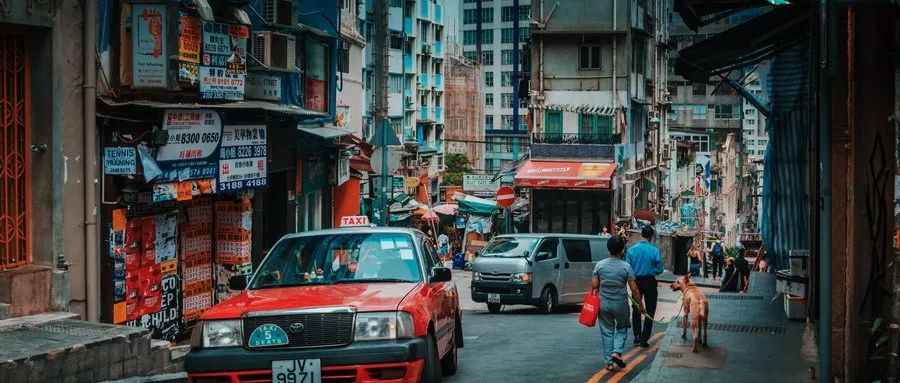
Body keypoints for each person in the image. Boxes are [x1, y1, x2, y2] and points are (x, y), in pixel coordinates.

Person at [591, 236, 645, 372]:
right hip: (620, 303)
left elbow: (595, 286)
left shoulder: (600, 265)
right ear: (622, 250)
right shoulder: (626, 266)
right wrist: (640, 305)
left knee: (607, 332)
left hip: (604, 303)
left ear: (608, 249)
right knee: (622, 327)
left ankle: (609, 362)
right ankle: (617, 352)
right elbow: (634, 289)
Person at [625, 226, 664, 347]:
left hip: (635, 281)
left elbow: (627, 268)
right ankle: (644, 338)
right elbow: (660, 269)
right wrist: (652, 271)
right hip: (650, 281)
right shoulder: (654, 250)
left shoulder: (631, 250)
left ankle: (637, 336)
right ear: (651, 237)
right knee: (650, 310)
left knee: (636, 308)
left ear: (641, 234)